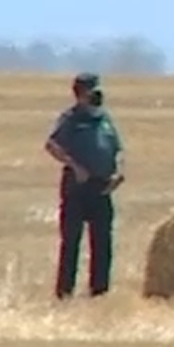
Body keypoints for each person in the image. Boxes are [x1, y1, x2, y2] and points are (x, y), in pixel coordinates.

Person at [43, 72, 124, 298]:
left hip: (103, 187)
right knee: (71, 241)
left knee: (103, 242)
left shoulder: (105, 119)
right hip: (77, 187)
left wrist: (119, 172)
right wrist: (75, 166)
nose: (98, 95)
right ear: (81, 94)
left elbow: (117, 148)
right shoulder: (70, 119)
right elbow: (52, 145)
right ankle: (65, 292)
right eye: (92, 91)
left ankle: (99, 291)